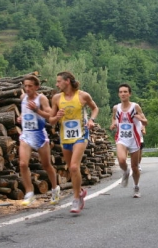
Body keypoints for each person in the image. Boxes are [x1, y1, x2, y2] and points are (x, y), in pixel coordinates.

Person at [49, 71, 99, 213]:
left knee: (73, 167)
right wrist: (56, 116)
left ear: (67, 81)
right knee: (71, 168)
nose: (56, 84)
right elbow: (51, 120)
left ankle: (76, 199)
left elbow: (95, 108)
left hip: (81, 135)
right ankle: (80, 190)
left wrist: (91, 120)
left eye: (59, 81)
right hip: (65, 136)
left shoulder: (83, 95)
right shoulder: (57, 98)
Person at [18, 75, 60, 206]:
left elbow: (50, 115)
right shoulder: (22, 98)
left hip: (40, 135)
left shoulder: (41, 98)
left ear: (36, 87)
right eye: (25, 86)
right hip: (26, 135)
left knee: (46, 165)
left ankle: (55, 189)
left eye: (30, 86)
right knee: (23, 164)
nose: (27, 88)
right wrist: (20, 118)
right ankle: (29, 193)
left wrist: (37, 110)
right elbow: (24, 112)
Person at [110, 83, 147, 198]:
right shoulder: (116, 108)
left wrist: (141, 119)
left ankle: (136, 187)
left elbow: (145, 121)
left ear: (129, 94)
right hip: (121, 137)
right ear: (118, 94)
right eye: (121, 92)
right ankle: (125, 172)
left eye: (125, 92)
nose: (123, 94)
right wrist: (113, 124)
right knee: (121, 160)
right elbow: (113, 118)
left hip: (134, 139)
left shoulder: (135, 107)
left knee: (135, 167)